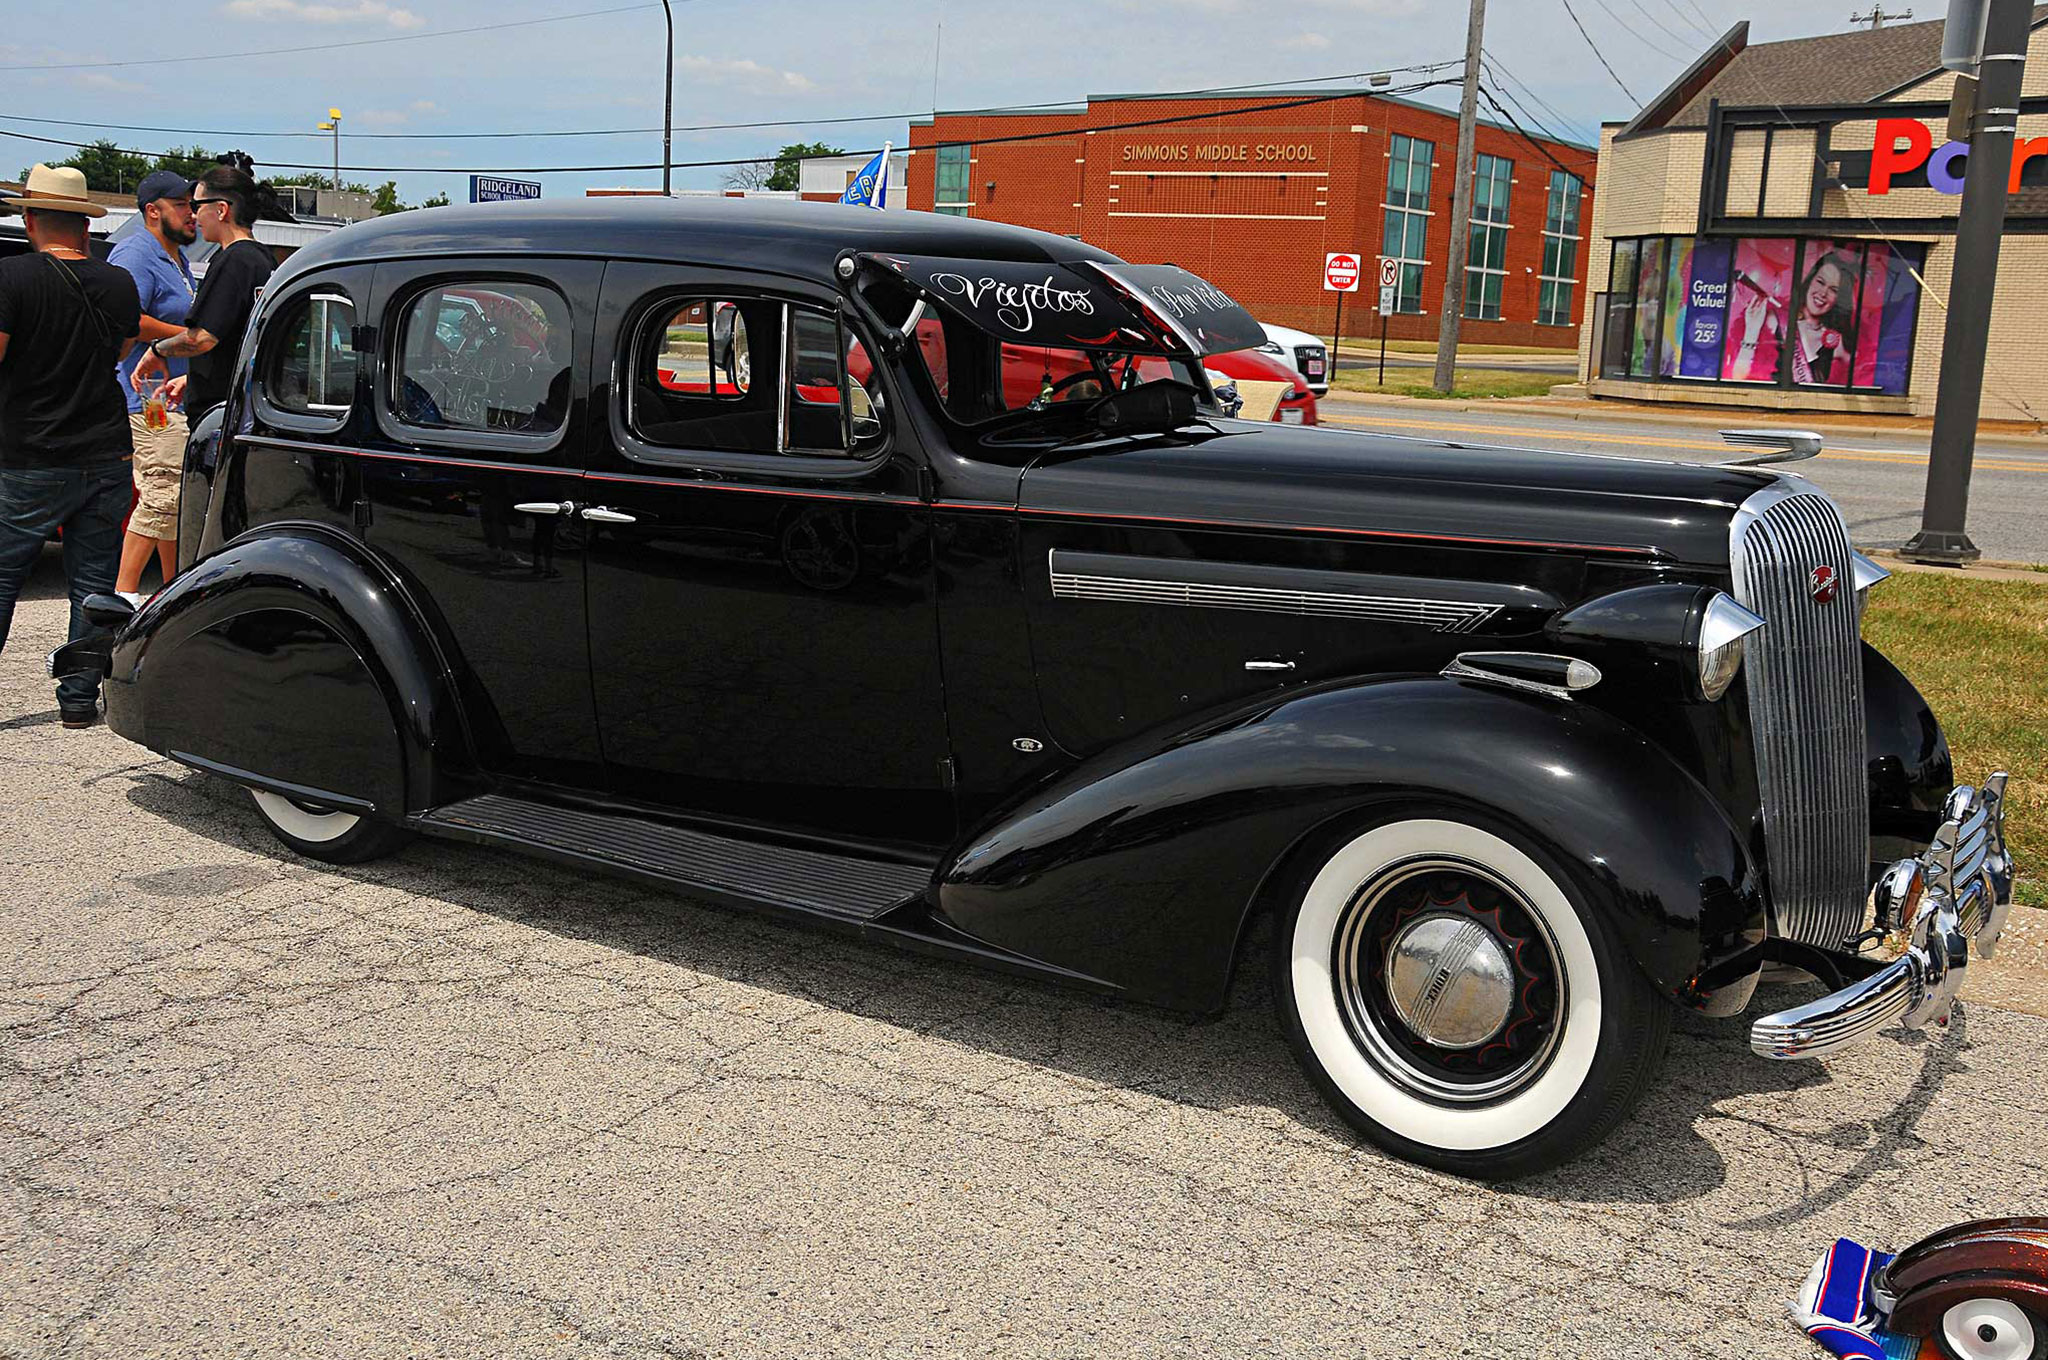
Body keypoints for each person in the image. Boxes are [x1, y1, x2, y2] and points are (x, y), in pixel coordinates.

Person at [0, 164, 143, 728]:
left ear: (30, 220)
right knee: (92, 582)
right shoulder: (118, 283)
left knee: (3, 578)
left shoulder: (10, 278)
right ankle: (80, 700)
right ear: (84, 226)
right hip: (105, 451)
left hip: (27, 454)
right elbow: (120, 349)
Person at [130, 158, 278, 419]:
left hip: (224, 415)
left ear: (221, 210)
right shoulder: (261, 258)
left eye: (197, 206)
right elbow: (235, 342)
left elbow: (202, 338)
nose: (194, 215)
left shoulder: (234, 261)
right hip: (241, 404)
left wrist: (157, 350)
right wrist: (193, 379)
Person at [108, 169, 197, 601]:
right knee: (162, 495)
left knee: (173, 501)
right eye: (181, 205)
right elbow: (125, 316)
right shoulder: (136, 253)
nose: (191, 213)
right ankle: (123, 598)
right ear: (152, 211)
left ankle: (171, 594)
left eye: (192, 205)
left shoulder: (176, 259)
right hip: (149, 400)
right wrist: (189, 339)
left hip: (171, 398)